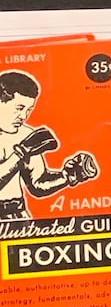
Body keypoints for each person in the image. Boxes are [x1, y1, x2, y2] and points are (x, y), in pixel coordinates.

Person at [0, 71, 98, 221]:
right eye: (19, 108)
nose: (24, 116)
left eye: (29, 110)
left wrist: (69, 175)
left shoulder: (25, 134)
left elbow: (37, 184)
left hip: (16, 213)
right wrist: (21, 153)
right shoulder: (25, 144)